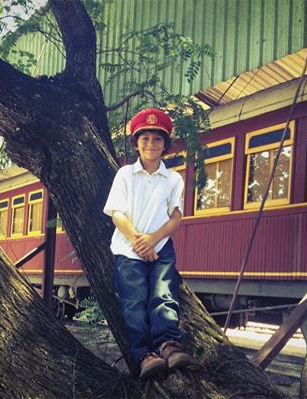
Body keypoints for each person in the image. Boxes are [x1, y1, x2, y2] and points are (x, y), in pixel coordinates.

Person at [103, 108, 195, 379]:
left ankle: (168, 344)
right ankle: (144, 354)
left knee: (164, 294)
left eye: (157, 139)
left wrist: (153, 239)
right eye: (145, 139)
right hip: (127, 248)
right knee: (134, 301)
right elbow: (117, 214)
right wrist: (138, 241)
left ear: (165, 145)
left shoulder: (173, 179)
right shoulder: (124, 175)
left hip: (161, 245)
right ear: (136, 143)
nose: (151, 145)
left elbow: (176, 217)